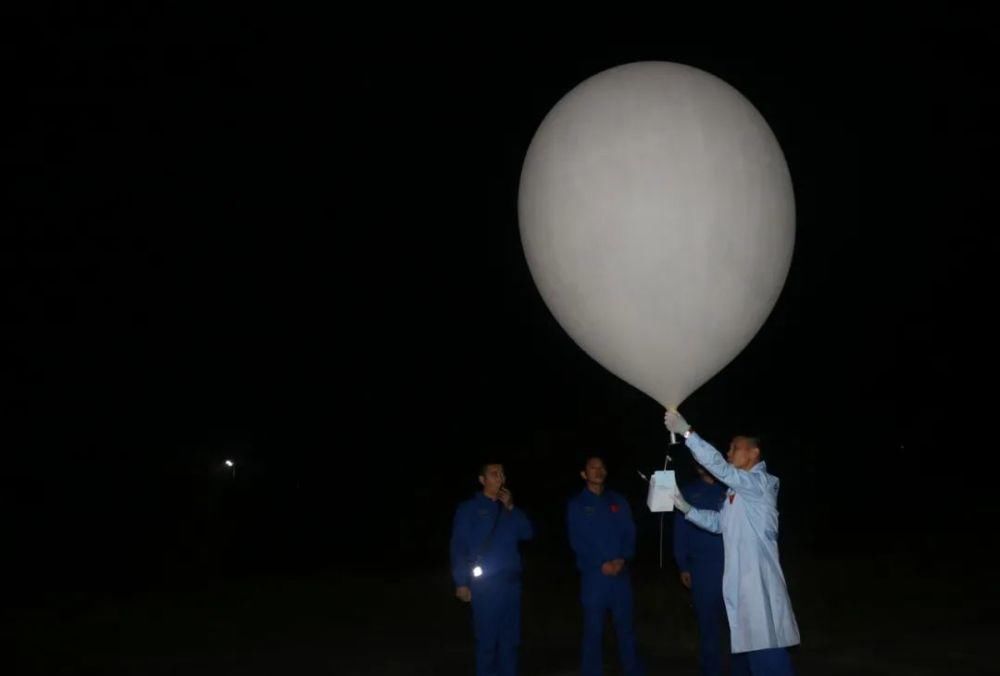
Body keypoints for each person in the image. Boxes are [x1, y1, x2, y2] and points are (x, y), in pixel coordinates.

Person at [664, 411, 800, 676]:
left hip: (759, 587)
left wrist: (688, 433)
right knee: (757, 661)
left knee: (771, 660)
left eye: (734, 448)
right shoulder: (737, 492)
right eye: (728, 448)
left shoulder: (758, 484)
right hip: (743, 587)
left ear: (753, 453)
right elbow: (719, 524)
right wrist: (685, 507)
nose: (728, 452)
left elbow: (721, 469)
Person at [450, 462, 533, 676]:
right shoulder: (469, 508)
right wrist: (461, 582)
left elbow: (527, 533)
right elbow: (459, 546)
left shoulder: (509, 509)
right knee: (487, 641)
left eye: (502, 473)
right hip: (485, 586)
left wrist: (512, 508)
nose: (500, 477)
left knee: (510, 641)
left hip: (511, 584)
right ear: (482, 480)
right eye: (494, 473)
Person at [567, 455, 646, 676]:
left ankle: (632, 670)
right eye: (593, 468)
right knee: (594, 631)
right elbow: (577, 540)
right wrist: (599, 564)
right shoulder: (577, 505)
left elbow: (629, 533)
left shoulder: (617, 501)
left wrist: (623, 558)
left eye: (602, 467)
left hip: (620, 574)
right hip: (595, 577)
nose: (598, 471)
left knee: (626, 629)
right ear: (584, 474)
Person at [674, 464, 728, 676]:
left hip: (732, 567)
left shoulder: (730, 489)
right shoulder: (688, 492)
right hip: (702, 568)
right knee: (707, 625)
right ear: (697, 467)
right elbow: (680, 531)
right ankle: (711, 669)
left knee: (736, 626)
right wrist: (683, 565)